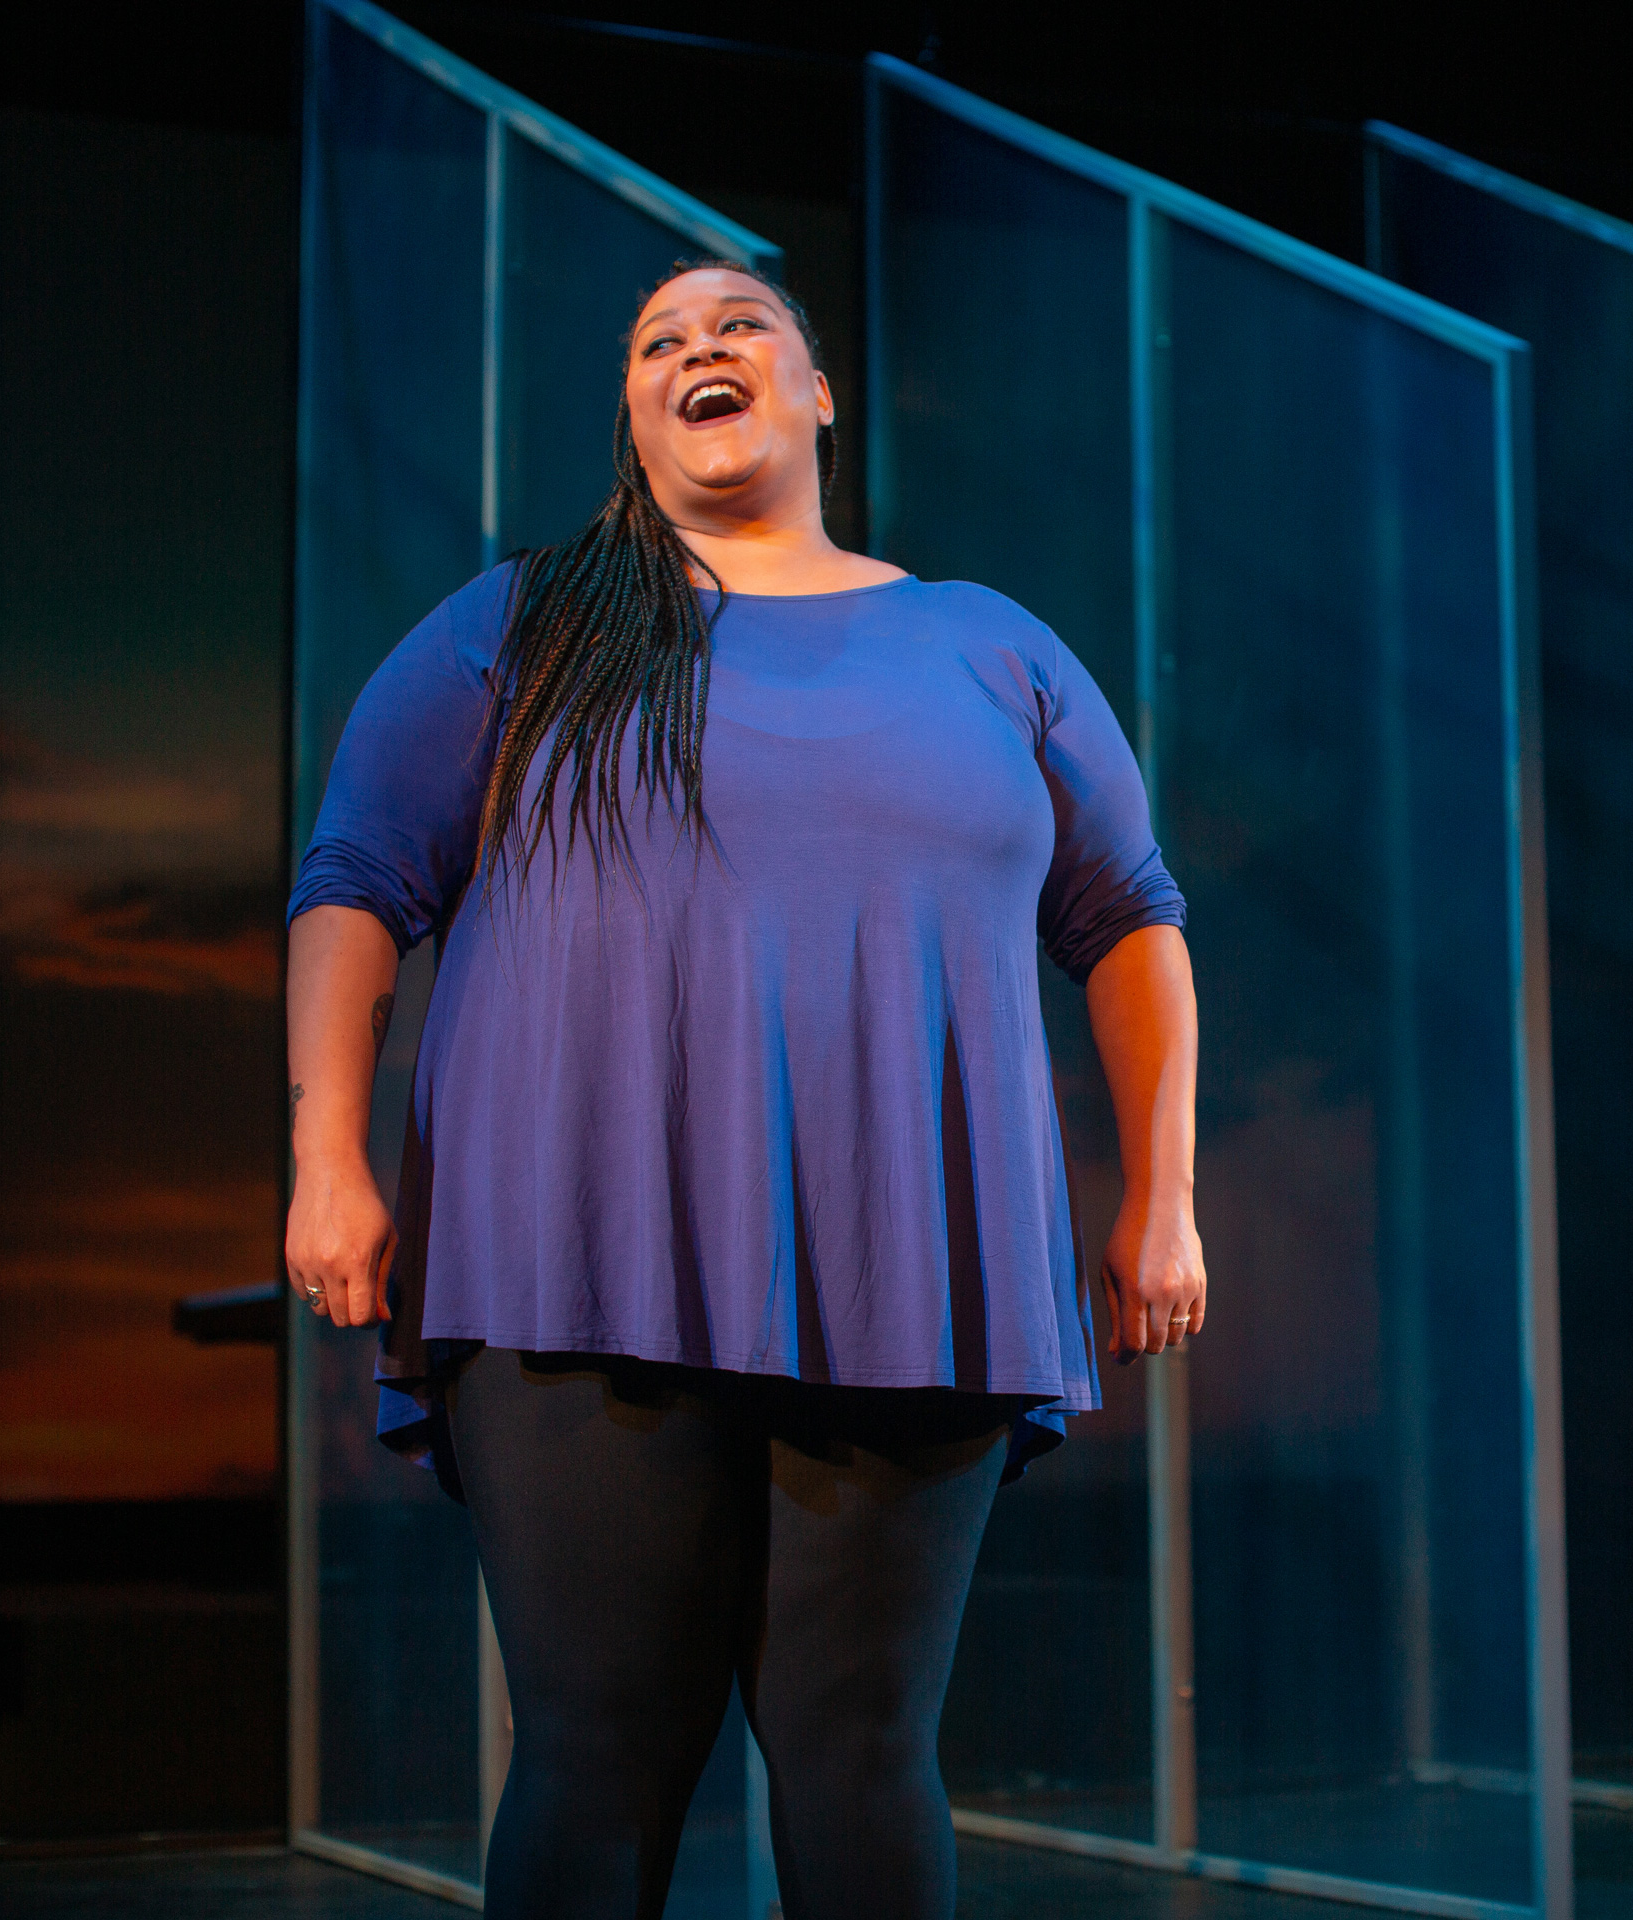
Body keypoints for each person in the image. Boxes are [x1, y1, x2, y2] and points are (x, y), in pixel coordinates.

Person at [282, 258, 1203, 1920]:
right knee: (597, 1751)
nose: (698, 349)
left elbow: (1132, 920)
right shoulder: (527, 620)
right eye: (658, 342)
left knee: (863, 1754)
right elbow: (355, 878)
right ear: (634, 415)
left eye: (739, 327)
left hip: (913, 1266)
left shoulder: (989, 642)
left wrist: (1165, 1198)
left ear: (819, 394)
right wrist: (327, 1157)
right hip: (575, 1260)